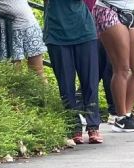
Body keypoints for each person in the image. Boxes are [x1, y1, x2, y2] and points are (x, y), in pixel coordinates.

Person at [43, 0, 103, 144]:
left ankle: (93, 126)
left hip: (84, 30)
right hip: (56, 33)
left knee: (90, 82)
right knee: (65, 85)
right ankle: (73, 126)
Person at [93, 0, 134, 132]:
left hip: (130, 13)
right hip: (108, 10)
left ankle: (127, 115)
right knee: (121, 67)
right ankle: (120, 117)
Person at [0, 0, 47, 78]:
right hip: (10, 31)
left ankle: (41, 90)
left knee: (38, 71)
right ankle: (20, 89)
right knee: (15, 73)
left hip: (30, 25)